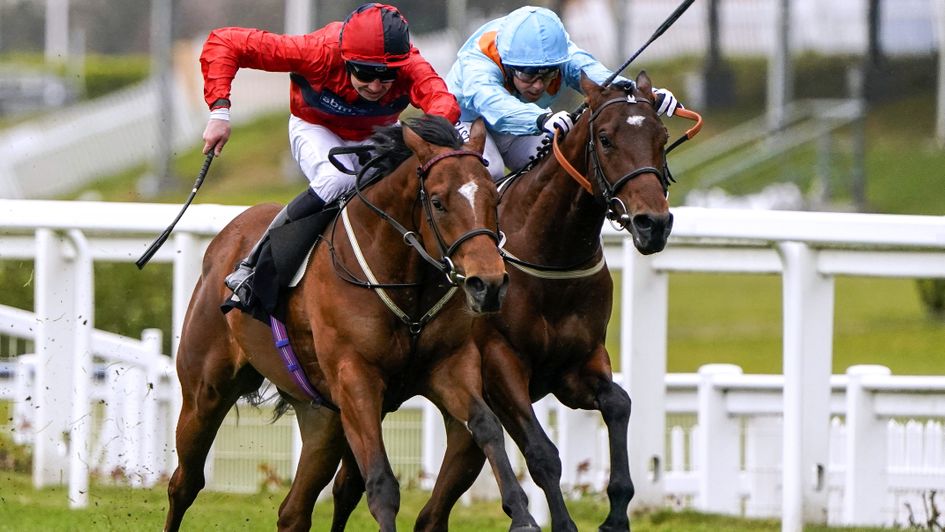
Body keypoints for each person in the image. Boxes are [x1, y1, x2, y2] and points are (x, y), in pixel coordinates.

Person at [199, 3, 461, 311]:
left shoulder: (410, 65)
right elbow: (225, 41)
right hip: (315, 128)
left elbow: (443, 103)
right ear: (346, 59)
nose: (375, 86)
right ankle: (253, 266)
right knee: (338, 179)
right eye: (365, 73)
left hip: (376, 133)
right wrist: (219, 111)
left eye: (387, 76)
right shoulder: (317, 51)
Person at [446, 5, 681, 180]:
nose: (538, 86)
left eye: (547, 74)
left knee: (557, 162)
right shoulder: (478, 63)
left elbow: (595, 75)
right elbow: (493, 104)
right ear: (507, 64)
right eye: (528, 75)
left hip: (525, 118)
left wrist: (641, 95)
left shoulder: (559, 53)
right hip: (468, 120)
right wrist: (541, 118)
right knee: (490, 169)